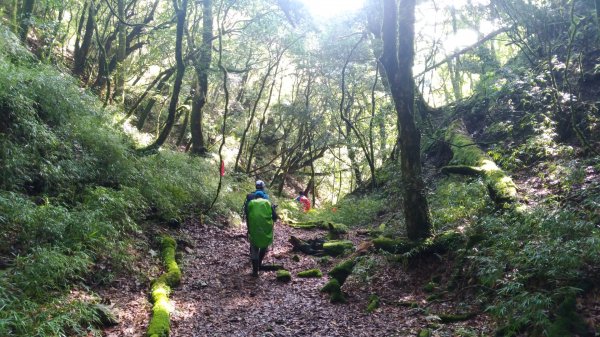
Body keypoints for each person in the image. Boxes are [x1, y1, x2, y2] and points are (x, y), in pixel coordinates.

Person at [244, 180, 278, 277]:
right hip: (265, 229)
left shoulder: (250, 202)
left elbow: (247, 214)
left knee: (254, 247)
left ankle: (255, 271)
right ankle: (259, 265)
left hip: (253, 227)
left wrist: (249, 227)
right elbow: (275, 217)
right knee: (264, 245)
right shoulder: (267, 202)